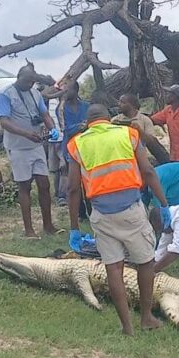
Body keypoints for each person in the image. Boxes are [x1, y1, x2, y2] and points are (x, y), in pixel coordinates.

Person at [66, 104, 168, 336]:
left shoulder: (77, 144)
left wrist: (74, 227)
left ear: (88, 122)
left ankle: (126, 326)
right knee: (145, 262)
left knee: (114, 268)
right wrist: (164, 204)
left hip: (101, 214)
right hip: (131, 210)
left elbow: (72, 188)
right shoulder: (128, 134)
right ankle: (146, 317)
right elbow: (149, 172)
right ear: (108, 119)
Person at [0, 63, 60, 238]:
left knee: (44, 185)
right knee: (24, 186)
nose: (30, 85)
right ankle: (29, 230)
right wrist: (26, 134)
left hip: (36, 145)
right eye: (27, 81)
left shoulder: (35, 93)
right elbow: (5, 122)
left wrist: (52, 128)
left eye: (32, 81)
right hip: (18, 147)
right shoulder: (6, 95)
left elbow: (45, 114)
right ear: (19, 78)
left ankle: (48, 226)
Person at [57, 81, 90, 214]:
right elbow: (65, 129)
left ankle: (89, 209)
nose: (65, 92)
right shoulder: (61, 108)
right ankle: (80, 212)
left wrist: (80, 127)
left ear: (76, 91)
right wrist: (81, 126)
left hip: (87, 146)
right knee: (75, 182)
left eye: (68, 90)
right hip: (71, 147)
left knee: (87, 179)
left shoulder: (87, 106)